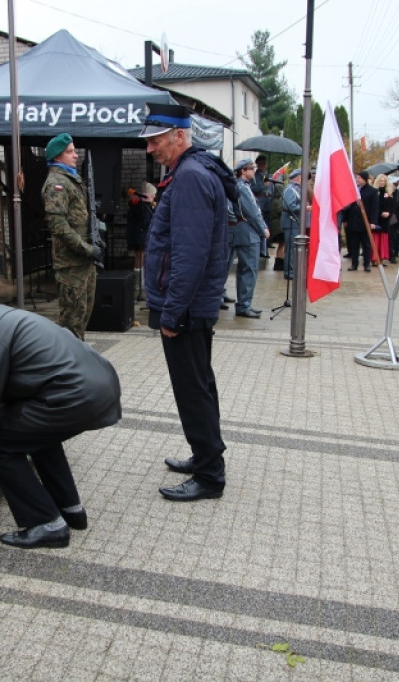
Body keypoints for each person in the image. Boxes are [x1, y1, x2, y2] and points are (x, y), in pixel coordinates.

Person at [0, 282, 121, 549]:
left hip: (73, 394)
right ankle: (70, 509)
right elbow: (2, 395)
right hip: (98, 386)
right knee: (36, 434)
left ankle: (45, 524)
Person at [139, 102, 229, 502]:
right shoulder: (190, 173)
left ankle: (209, 476)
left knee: (192, 390)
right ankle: (204, 455)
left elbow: (189, 255)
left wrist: (172, 312)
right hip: (190, 305)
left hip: (185, 309)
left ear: (178, 136)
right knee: (199, 385)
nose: (149, 149)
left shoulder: (190, 178)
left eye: (155, 140)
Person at [40, 132, 100, 340]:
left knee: (81, 319)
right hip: (71, 264)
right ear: (57, 157)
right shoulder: (57, 184)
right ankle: (67, 368)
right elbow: (58, 225)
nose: (76, 155)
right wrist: (86, 248)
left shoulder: (70, 179)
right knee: (71, 325)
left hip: (83, 263)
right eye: (70, 152)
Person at [226, 159, 268, 318]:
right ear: (243, 170)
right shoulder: (242, 188)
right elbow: (251, 212)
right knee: (249, 269)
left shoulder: (243, 187)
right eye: (252, 168)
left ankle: (244, 303)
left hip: (244, 230)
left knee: (246, 269)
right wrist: (263, 229)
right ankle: (244, 305)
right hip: (247, 231)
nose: (254, 171)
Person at [343, 170, 378, 272]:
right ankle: (354, 264)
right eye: (356, 178)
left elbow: (375, 208)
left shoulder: (372, 191)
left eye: (359, 178)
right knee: (354, 245)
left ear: (365, 179)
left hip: (365, 222)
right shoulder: (353, 190)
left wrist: (373, 222)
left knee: (366, 244)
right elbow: (347, 206)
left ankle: (366, 264)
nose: (357, 180)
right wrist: (345, 219)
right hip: (353, 221)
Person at [125, 181, 155, 273]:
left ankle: (138, 281)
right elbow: (146, 222)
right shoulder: (143, 206)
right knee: (141, 257)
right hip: (141, 235)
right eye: (153, 195)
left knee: (138, 257)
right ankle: (140, 281)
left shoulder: (137, 204)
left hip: (137, 235)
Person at [281, 168, 305, 279]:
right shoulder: (291, 189)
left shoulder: (297, 189)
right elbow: (289, 206)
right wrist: (304, 208)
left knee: (294, 248)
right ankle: (289, 272)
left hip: (295, 222)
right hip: (290, 222)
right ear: (298, 177)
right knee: (291, 249)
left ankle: (293, 270)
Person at [250, 155, 274, 258]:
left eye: (264, 163)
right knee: (261, 225)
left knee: (268, 225)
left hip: (268, 203)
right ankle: (262, 249)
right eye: (260, 164)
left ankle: (266, 246)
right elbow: (254, 188)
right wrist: (264, 185)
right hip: (260, 202)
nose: (263, 166)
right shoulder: (255, 176)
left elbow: (272, 188)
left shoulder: (267, 175)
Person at [373, 174, 395, 263]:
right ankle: (375, 257)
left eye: (384, 181)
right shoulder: (375, 192)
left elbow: (392, 206)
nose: (382, 182)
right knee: (376, 237)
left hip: (386, 219)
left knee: (384, 237)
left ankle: (382, 256)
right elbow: (374, 206)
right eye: (380, 180)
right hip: (377, 218)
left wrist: (389, 213)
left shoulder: (388, 193)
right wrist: (381, 213)